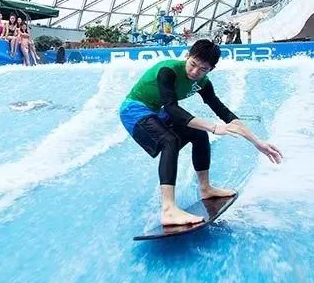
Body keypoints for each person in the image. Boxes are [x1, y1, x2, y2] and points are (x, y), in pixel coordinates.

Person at [118, 40, 283, 226]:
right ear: (187, 56)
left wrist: (257, 142)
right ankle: (169, 209)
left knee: (198, 134)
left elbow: (224, 112)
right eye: (193, 64)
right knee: (169, 141)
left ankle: (205, 188)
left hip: (156, 111)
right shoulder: (168, 71)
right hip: (134, 110)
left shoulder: (203, 83)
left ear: (211, 69)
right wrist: (213, 127)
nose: (195, 72)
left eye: (202, 69)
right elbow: (172, 109)